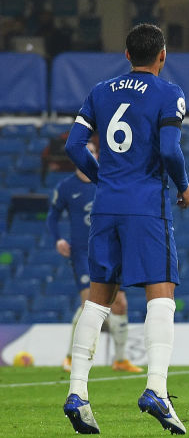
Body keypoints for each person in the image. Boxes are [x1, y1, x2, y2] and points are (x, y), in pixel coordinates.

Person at [62, 23, 189, 435]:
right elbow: (170, 149)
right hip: (146, 206)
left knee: (97, 300)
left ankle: (77, 393)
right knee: (162, 294)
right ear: (162, 56)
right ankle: (156, 388)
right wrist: (184, 185)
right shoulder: (169, 93)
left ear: (126, 55)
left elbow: (73, 146)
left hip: (106, 207)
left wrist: (101, 178)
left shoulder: (100, 91)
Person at [48, 138, 142, 374]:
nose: (89, 155)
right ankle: (71, 357)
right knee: (89, 301)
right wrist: (58, 239)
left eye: (92, 151)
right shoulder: (66, 187)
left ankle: (120, 359)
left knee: (120, 303)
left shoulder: (108, 182)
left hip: (111, 249)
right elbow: (52, 216)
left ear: (98, 155)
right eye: (84, 151)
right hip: (82, 252)